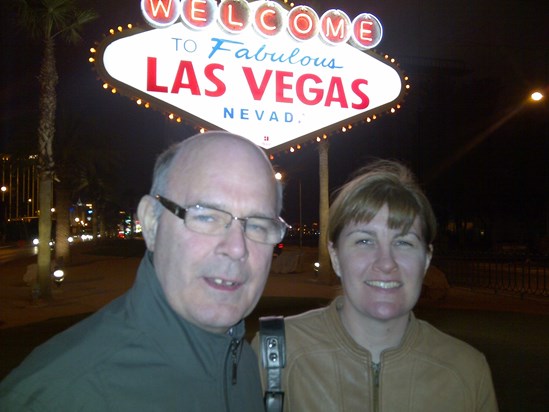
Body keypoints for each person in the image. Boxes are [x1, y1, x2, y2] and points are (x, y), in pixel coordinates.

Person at [0, 131, 288, 411]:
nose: (237, 248)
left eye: (258, 225)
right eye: (206, 216)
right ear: (151, 223)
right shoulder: (57, 396)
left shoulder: (245, 364)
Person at [254, 160, 498, 411]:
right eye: (364, 241)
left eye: (403, 242)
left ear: (426, 259)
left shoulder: (467, 372)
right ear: (336, 257)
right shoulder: (275, 354)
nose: (386, 262)